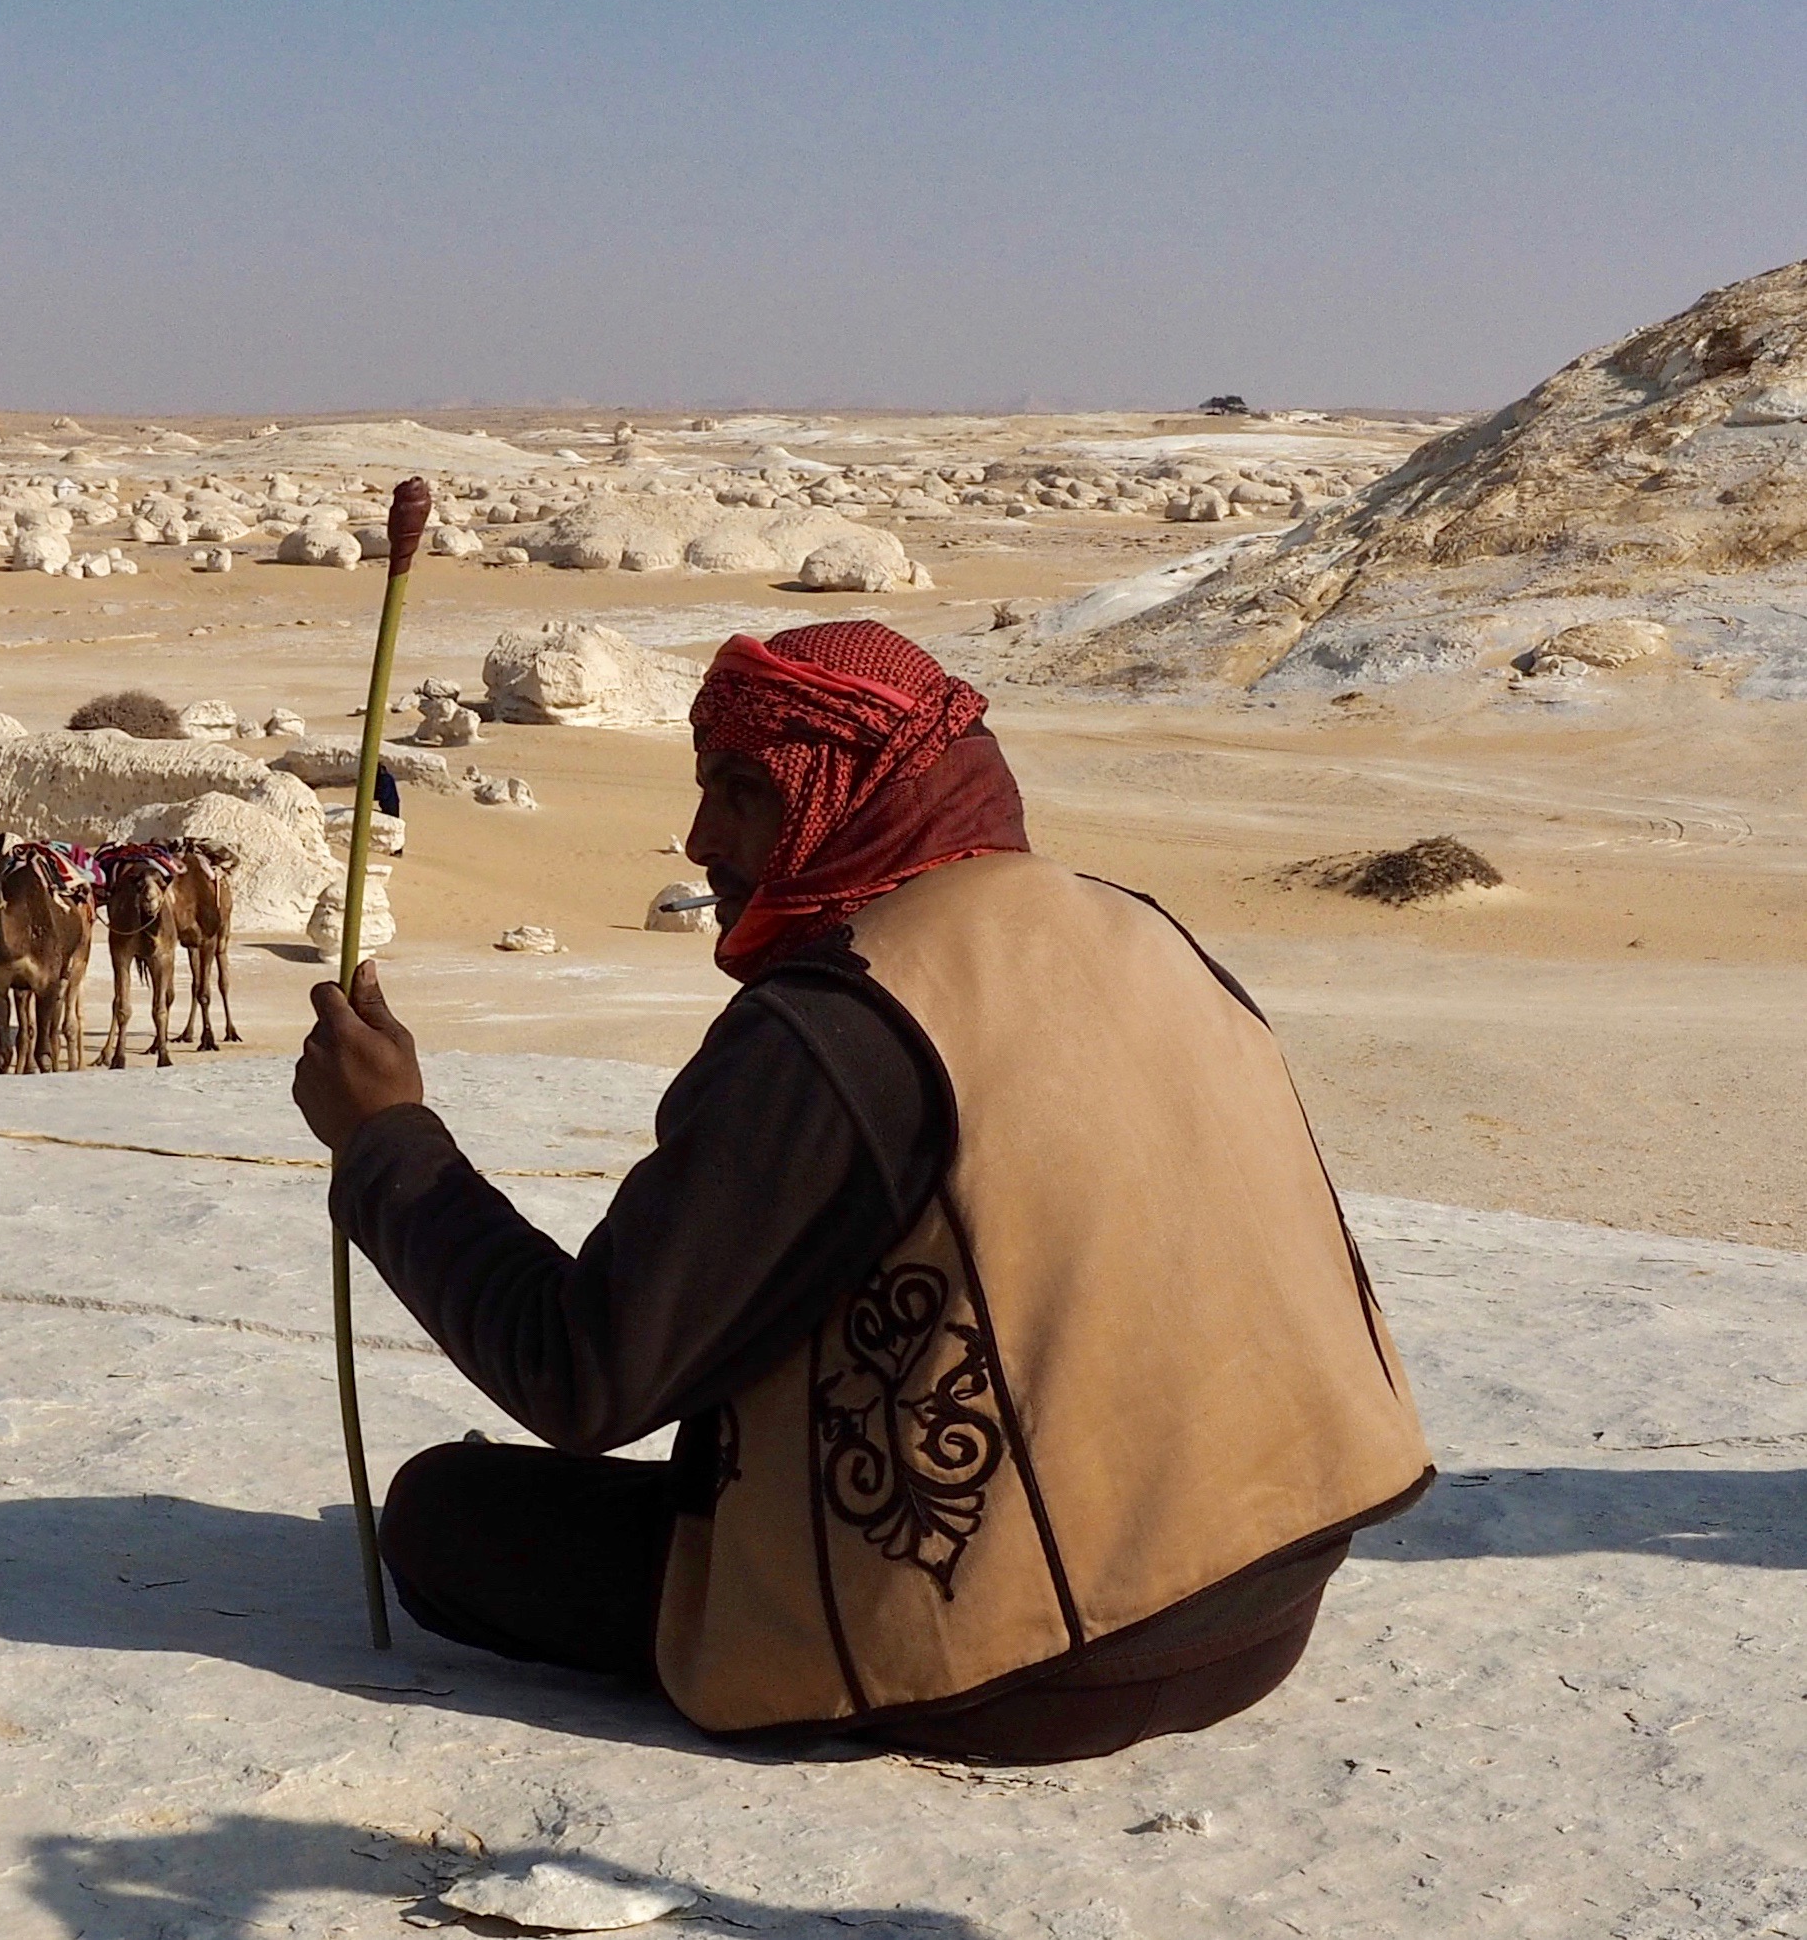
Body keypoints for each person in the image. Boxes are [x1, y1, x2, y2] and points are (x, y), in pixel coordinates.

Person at [287, 619, 1427, 1760]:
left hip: (1023, 1666)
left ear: (846, 794)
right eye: (703, 787)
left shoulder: (839, 1023)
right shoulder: (1138, 924)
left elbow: (582, 1374)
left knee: (444, 1514)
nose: (700, 836)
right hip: (1267, 1604)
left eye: (743, 793)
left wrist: (387, 1141)